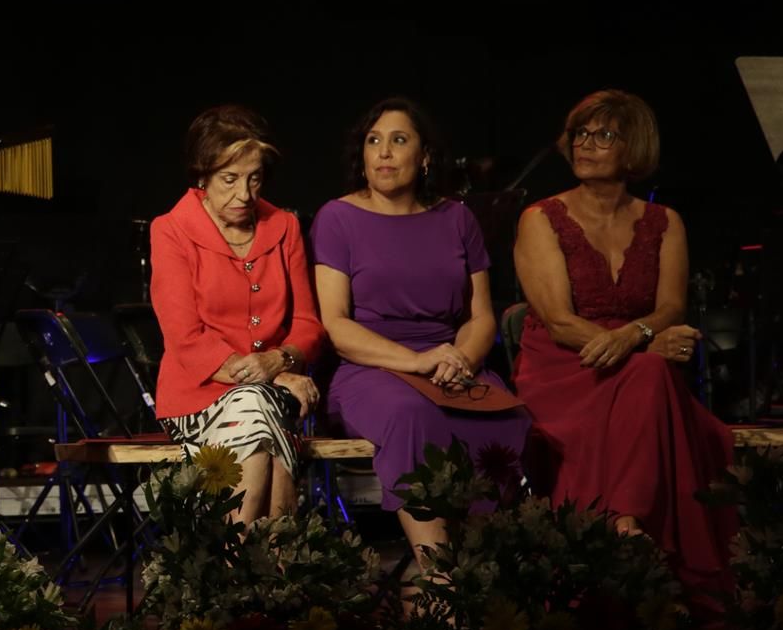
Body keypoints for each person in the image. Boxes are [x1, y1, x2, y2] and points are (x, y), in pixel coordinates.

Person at [513, 89, 735, 594]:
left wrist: (637, 336)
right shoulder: (541, 218)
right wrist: (640, 345)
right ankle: (625, 524)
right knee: (653, 374)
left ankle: (625, 527)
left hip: (635, 365)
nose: (587, 145)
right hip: (564, 364)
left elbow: (671, 307)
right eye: (580, 135)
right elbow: (558, 320)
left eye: (604, 135)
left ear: (633, 146)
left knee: (668, 392)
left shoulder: (665, 222)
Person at [311, 98, 531, 566]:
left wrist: (461, 361)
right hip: (372, 368)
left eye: (399, 140)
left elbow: (481, 315)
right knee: (412, 412)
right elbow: (337, 325)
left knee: (508, 417)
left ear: (426, 156)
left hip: (451, 363)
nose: (384, 152)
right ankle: (440, 572)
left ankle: (485, 571)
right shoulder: (338, 218)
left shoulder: (457, 218)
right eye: (374, 141)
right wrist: (418, 362)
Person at [150, 105, 324, 523]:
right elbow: (185, 338)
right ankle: (262, 564)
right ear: (202, 177)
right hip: (198, 396)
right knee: (258, 409)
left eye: (255, 178)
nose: (244, 194)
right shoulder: (171, 230)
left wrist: (279, 360)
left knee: (258, 410)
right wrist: (274, 373)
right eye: (229, 180)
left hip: (269, 393)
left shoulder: (283, 226)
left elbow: (308, 324)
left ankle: (243, 573)